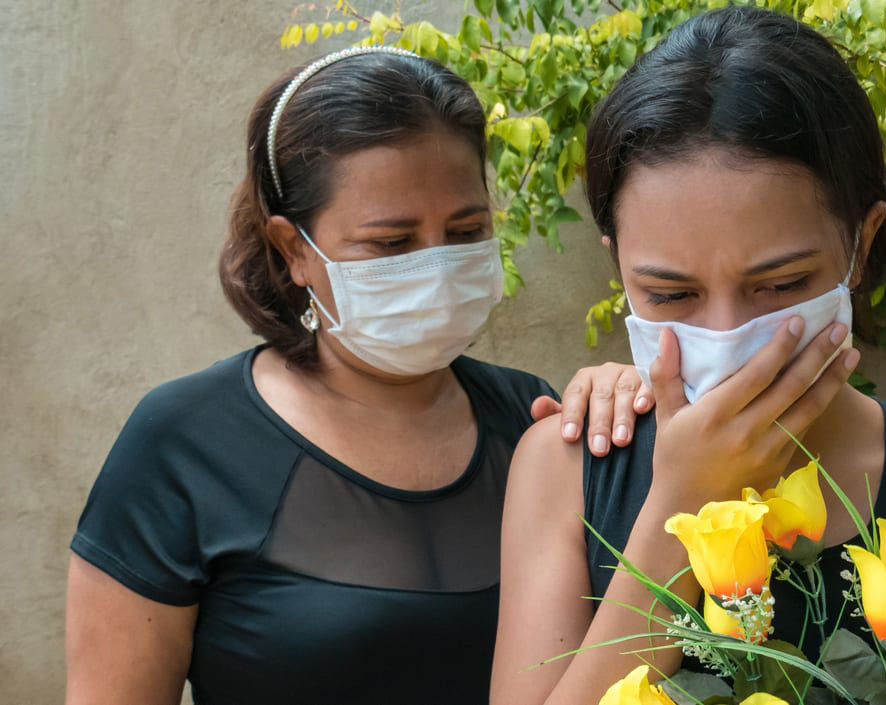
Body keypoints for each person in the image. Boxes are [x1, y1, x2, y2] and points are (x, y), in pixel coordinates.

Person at [491, 8, 886, 704]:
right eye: (671, 292)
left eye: (781, 285)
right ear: (619, 270)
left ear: (861, 244)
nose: (731, 333)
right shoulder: (563, 472)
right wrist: (681, 508)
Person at [64, 46, 653, 705]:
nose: (436, 266)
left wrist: (628, 394)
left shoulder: (536, 421)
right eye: (392, 242)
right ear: (294, 251)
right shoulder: (182, 446)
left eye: (466, 229)